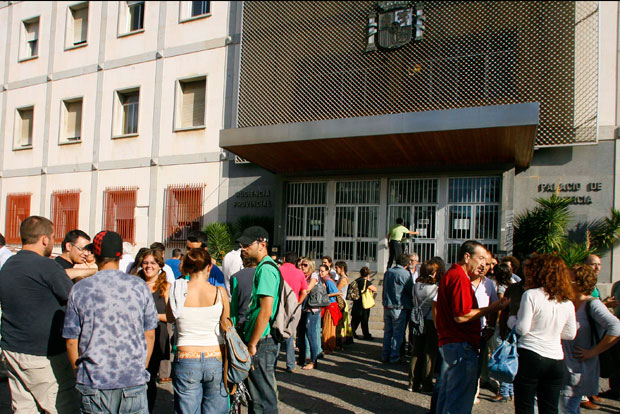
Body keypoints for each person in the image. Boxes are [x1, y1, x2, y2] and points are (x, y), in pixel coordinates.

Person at [63, 230, 158, 414]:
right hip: (132, 379)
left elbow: (71, 340)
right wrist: (141, 367)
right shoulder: (139, 286)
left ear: (95, 255)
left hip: (93, 379)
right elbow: (150, 333)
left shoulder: (80, 289)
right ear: (120, 256)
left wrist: (79, 371)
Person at [0, 216, 79, 413]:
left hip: (12, 349)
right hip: (43, 354)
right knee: (61, 406)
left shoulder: (8, 265)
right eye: (53, 237)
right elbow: (73, 299)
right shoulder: (47, 266)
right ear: (45, 239)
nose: (53, 242)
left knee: (24, 408)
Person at [434, 240, 508, 414]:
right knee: (459, 397)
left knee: (449, 392)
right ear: (467, 257)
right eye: (480, 258)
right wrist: (492, 308)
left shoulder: (454, 275)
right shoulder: (459, 277)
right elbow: (461, 315)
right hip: (461, 343)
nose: (483, 264)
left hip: (455, 342)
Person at [512, 254, 577, 414]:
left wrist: (511, 320)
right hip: (556, 357)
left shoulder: (531, 295)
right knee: (550, 407)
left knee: (525, 405)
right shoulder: (567, 302)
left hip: (531, 353)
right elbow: (570, 334)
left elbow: (522, 329)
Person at [167, 248, 229, 414]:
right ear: (209, 267)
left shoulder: (177, 289)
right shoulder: (220, 293)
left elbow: (170, 317)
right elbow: (226, 325)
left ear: (186, 267)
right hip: (214, 356)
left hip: (186, 356)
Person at [560, 264, 620, 414]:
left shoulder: (593, 304)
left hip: (580, 369)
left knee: (568, 409)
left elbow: (616, 327)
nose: (565, 281)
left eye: (570, 279)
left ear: (580, 283)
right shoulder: (567, 302)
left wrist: (593, 352)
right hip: (564, 367)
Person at [234, 226, 280, 413]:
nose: (243, 248)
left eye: (247, 244)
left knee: (263, 398)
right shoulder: (264, 267)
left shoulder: (266, 269)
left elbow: (265, 310)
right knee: (257, 396)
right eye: (241, 245)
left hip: (262, 341)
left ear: (262, 244)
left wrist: (252, 343)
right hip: (261, 340)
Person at [136, 249, 171, 413]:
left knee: (149, 377)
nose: (148, 266)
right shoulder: (135, 283)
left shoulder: (166, 287)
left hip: (157, 337)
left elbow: (171, 316)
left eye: (152, 263)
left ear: (159, 266)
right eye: (145, 263)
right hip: (135, 337)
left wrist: (151, 316)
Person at [408, 261, 439, 393]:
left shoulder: (416, 286)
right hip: (431, 321)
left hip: (416, 319)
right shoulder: (435, 288)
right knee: (429, 353)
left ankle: (412, 382)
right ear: (434, 273)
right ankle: (426, 383)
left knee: (416, 351)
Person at [278, 251, 308, 373]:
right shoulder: (300, 273)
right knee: (290, 334)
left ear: (284, 258)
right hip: (294, 306)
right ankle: (290, 364)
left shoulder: (278, 270)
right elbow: (304, 291)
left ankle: (273, 363)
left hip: (279, 306)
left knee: (277, 333)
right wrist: (299, 303)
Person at [382, 253, 414, 363]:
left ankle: (385, 354)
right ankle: (394, 356)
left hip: (387, 305)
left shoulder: (388, 272)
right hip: (399, 307)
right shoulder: (405, 274)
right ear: (407, 263)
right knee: (397, 333)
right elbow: (411, 291)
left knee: (387, 332)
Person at [298, 258, 322, 370]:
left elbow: (307, 289)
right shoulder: (304, 276)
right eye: (302, 264)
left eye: (305, 265)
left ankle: (313, 361)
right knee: (301, 333)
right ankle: (302, 358)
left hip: (313, 309)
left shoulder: (314, 276)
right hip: (304, 308)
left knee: (311, 334)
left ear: (311, 266)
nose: (302, 266)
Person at [230, 254, 258, 330]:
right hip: (260, 321)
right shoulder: (263, 274)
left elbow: (234, 300)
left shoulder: (235, 277)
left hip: (242, 320)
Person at [319, 264, 341, 354]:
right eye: (319, 271)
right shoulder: (325, 280)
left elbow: (336, 292)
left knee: (328, 328)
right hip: (329, 305)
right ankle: (328, 346)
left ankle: (328, 347)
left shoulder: (328, 281)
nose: (320, 273)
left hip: (330, 306)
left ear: (327, 271)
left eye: (322, 271)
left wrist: (325, 295)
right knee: (327, 328)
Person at [350, 266, 376, 340]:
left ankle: (351, 333)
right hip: (364, 303)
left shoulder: (357, 280)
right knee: (364, 320)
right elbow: (374, 288)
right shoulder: (366, 282)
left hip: (356, 302)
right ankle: (366, 334)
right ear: (368, 274)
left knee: (355, 320)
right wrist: (369, 281)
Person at [335, 261, 354, 347]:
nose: (335, 269)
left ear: (342, 268)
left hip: (341, 302)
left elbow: (336, 289)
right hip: (340, 301)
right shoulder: (341, 277)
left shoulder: (343, 278)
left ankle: (341, 341)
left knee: (341, 323)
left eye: (337, 267)